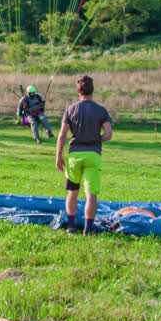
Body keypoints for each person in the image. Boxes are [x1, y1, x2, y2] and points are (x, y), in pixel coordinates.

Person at [55, 75, 112, 234]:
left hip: (74, 155)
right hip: (93, 155)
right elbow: (108, 134)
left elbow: (62, 135)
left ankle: (71, 226)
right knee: (90, 194)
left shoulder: (70, 109)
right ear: (92, 90)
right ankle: (88, 229)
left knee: (72, 192)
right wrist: (96, 138)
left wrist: (58, 156)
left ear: (78, 90)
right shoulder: (101, 110)